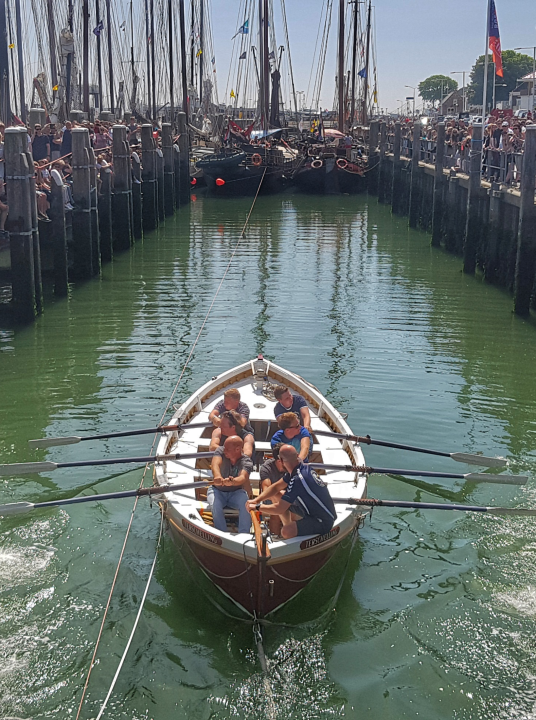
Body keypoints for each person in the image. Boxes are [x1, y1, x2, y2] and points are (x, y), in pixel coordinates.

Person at [246, 445, 337, 538]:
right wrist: (256, 500)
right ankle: (290, 526)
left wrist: (257, 507)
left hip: (322, 521)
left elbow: (279, 509)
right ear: (297, 455)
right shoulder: (301, 468)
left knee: (286, 531)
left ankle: (292, 534)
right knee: (277, 495)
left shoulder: (297, 480)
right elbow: (275, 487)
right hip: (313, 511)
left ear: (281, 461)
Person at [209, 435, 253, 534]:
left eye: (228, 449)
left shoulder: (246, 461)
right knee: (216, 505)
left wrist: (232, 482)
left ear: (238, 449)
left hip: (236, 492)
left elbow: (243, 477)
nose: (225, 451)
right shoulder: (220, 451)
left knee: (246, 504)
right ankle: (221, 533)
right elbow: (215, 464)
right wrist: (217, 476)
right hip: (217, 491)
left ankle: (244, 533)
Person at [259, 442, 286, 534]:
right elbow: (266, 490)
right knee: (277, 509)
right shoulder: (266, 468)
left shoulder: (294, 465)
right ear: (279, 460)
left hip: (291, 496)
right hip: (273, 498)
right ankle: (275, 536)